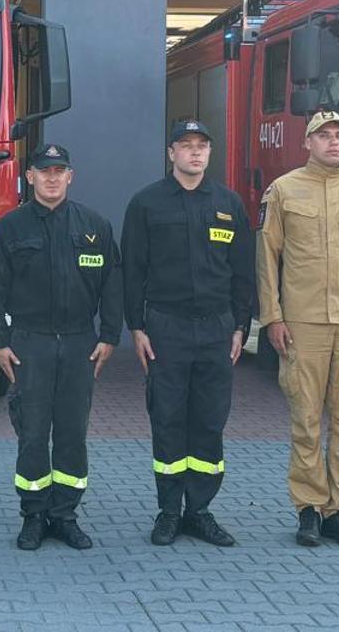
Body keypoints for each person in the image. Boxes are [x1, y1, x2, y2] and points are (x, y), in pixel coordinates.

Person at [257, 111, 339, 549]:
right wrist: (272, 317)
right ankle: (309, 509)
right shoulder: (284, 190)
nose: (333, 143)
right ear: (307, 143)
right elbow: (268, 259)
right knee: (307, 419)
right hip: (303, 323)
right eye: (324, 136)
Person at [122, 120, 256, 547]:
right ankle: (168, 511)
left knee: (209, 420)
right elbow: (133, 271)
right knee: (167, 418)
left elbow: (242, 272)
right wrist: (136, 327)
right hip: (166, 326)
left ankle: (199, 511)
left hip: (217, 328)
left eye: (202, 146)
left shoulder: (229, 203)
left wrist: (240, 326)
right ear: (171, 153)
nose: (195, 153)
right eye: (186, 146)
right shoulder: (147, 204)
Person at [0, 144, 122, 551]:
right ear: (30, 176)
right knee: (32, 433)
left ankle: (64, 515)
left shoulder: (94, 226)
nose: (52, 178)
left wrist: (110, 336)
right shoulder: (10, 228)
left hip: (80, 342)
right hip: (31, 342)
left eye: (59, 171)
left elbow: (113, 286)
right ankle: (32, 515)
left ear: (70, 176)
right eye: (44, 171)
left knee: (72, 433)